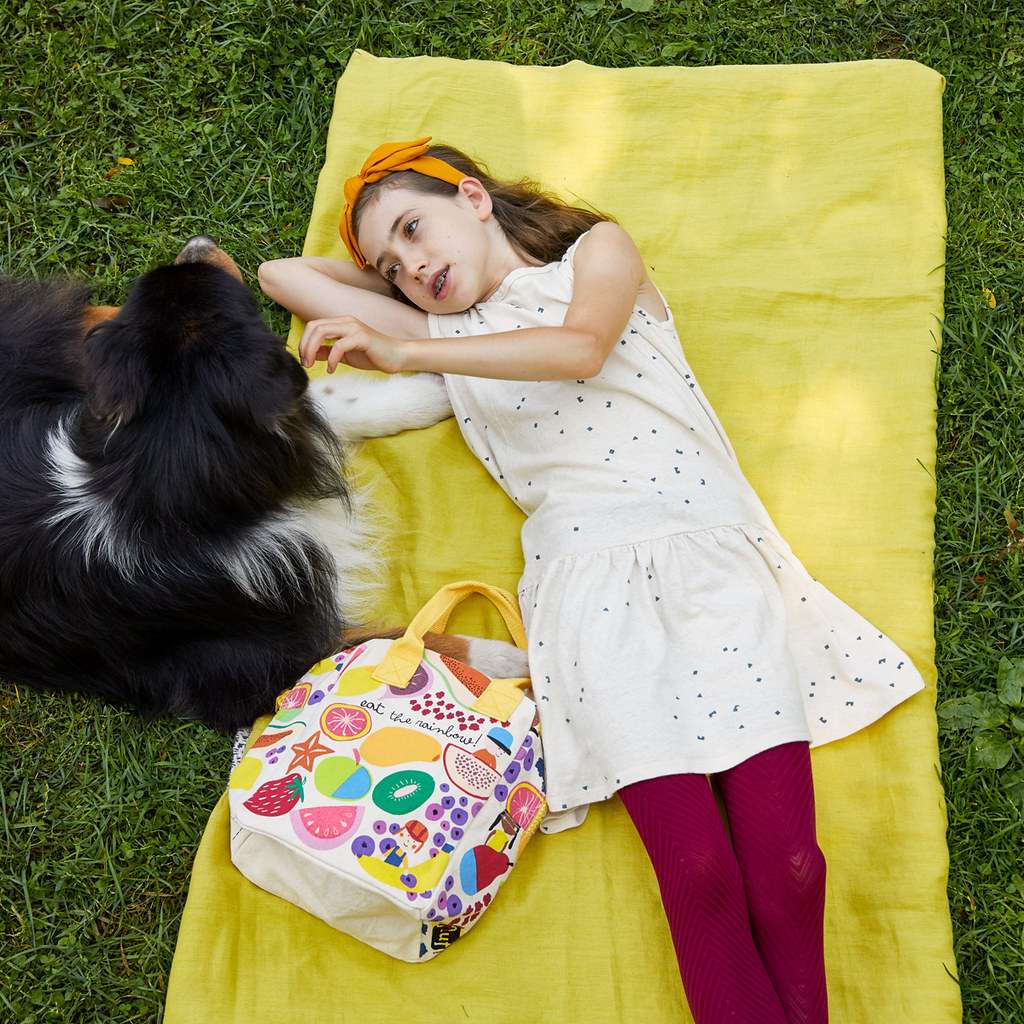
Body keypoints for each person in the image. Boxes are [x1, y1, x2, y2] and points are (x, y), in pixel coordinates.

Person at [259, 136, 927, 1024]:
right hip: (586, 594)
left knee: (793, 866)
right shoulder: (446, 332)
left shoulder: (594, 256)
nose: (414, 265)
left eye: (417, 229)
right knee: (697, 875)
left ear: (475, 195)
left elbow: (579, 349)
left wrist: (407, 338)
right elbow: (277, 276)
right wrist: (409, 285)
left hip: (708, 564)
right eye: (390, 261)